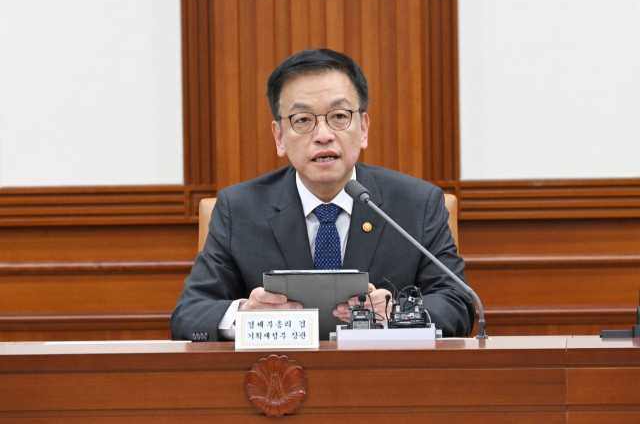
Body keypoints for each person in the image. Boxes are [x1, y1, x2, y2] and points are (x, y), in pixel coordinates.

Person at [170, 48, 474, 341]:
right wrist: (247, 315)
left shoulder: (417, 204)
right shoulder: (239, 210)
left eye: (339, 116)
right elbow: (190, 314)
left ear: (363, 127)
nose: (323, 135)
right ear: (279, 137)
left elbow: (457, 304)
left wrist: (397, 315)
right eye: (303, 120)